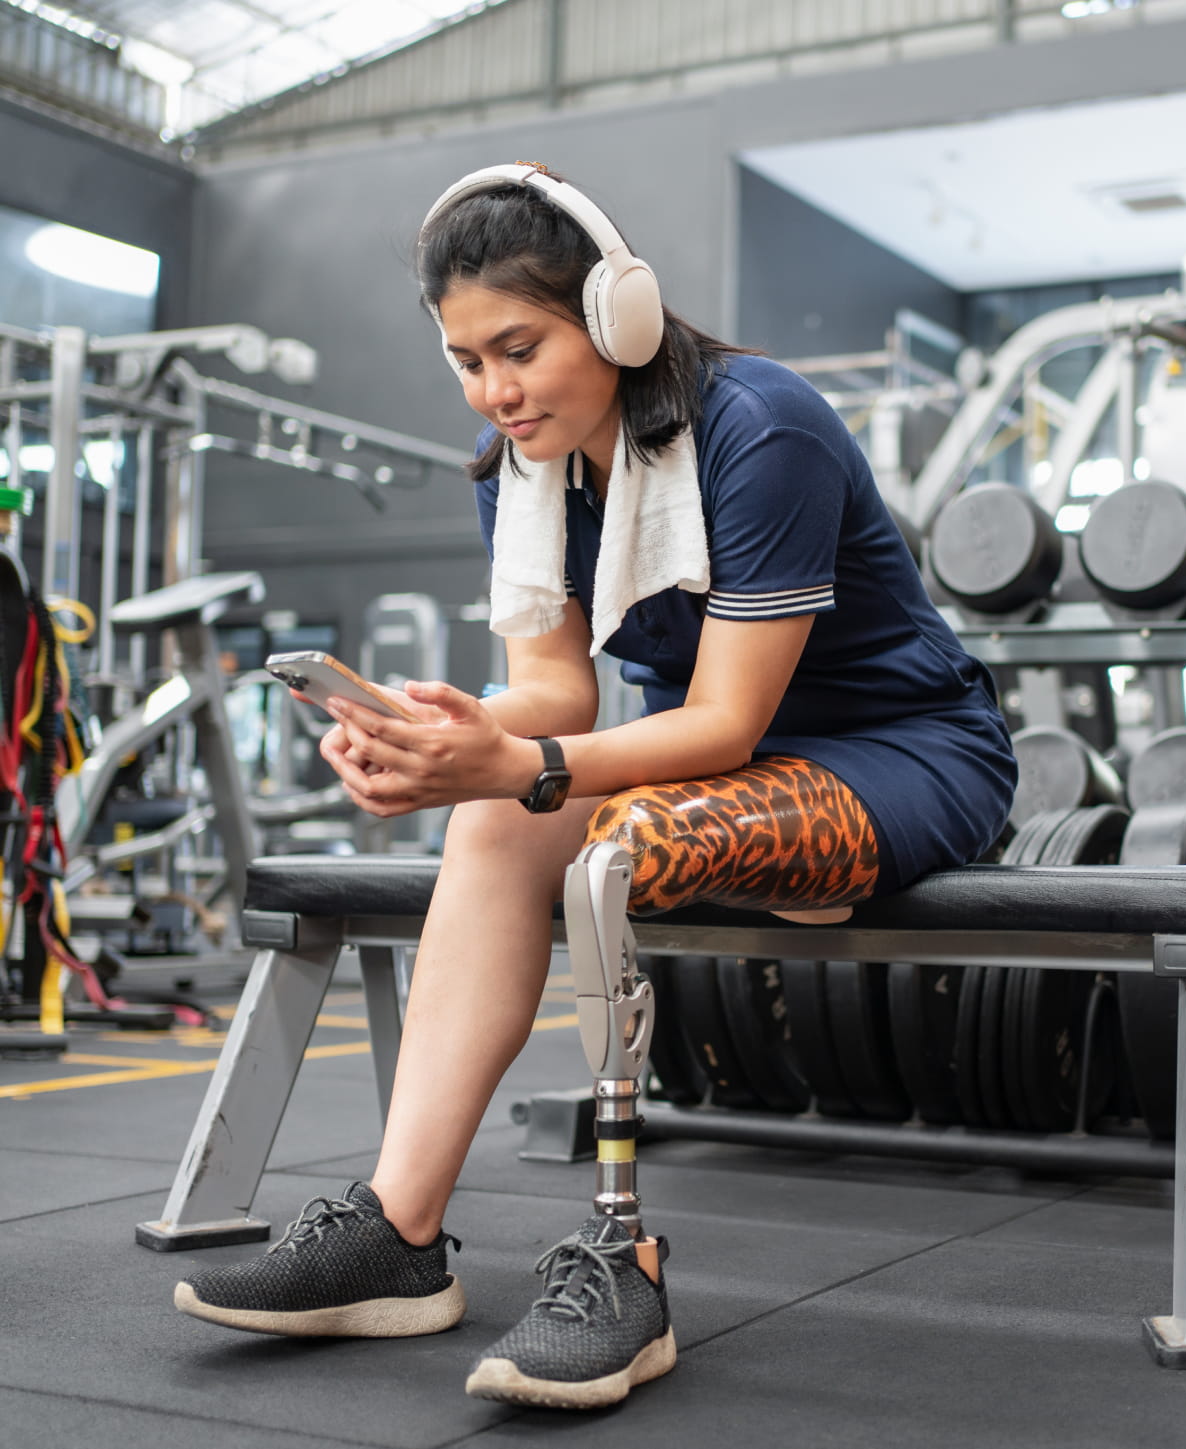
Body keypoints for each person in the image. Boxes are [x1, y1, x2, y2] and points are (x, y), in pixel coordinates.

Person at [173, 162, 1016, 1409]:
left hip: (901, 752)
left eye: (519, 347)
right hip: (720, 762)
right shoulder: (526, 466)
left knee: (616, 838)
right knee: (503, 817)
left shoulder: (760, 427)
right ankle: (399, 1238)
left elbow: (723, 722)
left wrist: (522, 765)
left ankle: (623, 1253)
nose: (495, 391)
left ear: (617, 317)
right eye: (467, 361)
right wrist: (433, 731)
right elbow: (554, 697)